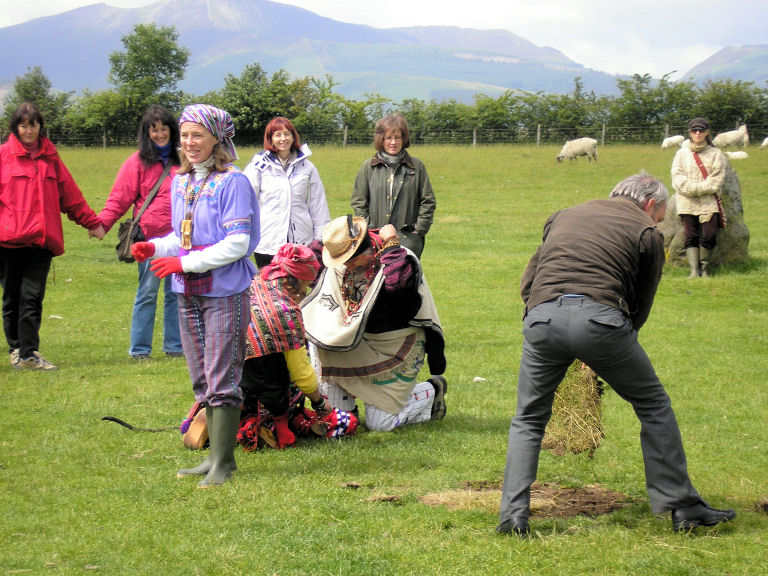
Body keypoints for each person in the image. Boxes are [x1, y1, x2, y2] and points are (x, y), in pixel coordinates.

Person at [497, 172, 736, 537]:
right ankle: (683, 506)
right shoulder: (646, 232)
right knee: (654, 406)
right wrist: (610, 348)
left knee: (528, 418)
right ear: (652, 205)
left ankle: (513, 517)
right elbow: (642, 301)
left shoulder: (563, 215)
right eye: (660, 213)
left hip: (541, 318)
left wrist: (542, 318)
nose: (658, 220)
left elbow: (531, 279)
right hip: (602, 321)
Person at [130, 104, 260, 488]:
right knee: (201, 375)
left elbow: (237, 243)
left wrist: (183, 265)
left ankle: (224, 462)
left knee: (222, 374)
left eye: (197, 135)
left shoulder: (233, 182)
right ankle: (211, 458)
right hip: (188, 290)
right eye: (185, 135)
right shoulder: (181, 181)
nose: (189, 143)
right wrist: (154, 249)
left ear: (216, 139)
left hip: (224, 291)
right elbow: (181, 237)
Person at [301, 214, 447, 431]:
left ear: (368, 251)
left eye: (351, 260)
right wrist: (331, 241)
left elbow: (397, 285)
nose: (347, 267)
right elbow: (309, 254)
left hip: (397, 347)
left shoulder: (401, 259)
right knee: (339, 414)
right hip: (355, 342)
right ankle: (347, 410)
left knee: (380, 425)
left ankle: (431, 391)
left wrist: (391, 246)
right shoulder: (341, 258)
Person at [0, 102, 104, 371]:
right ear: (15, 127)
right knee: (12, 297)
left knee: (32, 297)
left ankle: (29, 353)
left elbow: (70, 195)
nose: (29, 130)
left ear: (39, 126)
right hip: (8, 241)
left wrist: (92, 223)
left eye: (33, 125)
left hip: (41, 241)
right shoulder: (3, 157)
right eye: (24, 125)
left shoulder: (50, 158)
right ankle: (15, 349)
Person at [93, 105, 183, 359]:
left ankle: (175, 348)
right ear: (147, 133)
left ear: (172, 130)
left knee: (176, 294)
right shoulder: (137, 162)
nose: (159, 134)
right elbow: (119, 198)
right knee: (147, 293)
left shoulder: (184, 158)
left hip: (180, 238)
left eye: (164, 128)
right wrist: (103, 224)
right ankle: (140, 350)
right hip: (150, 238)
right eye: (153, 130)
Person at [240, 243, 340, 449]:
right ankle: (277, 425)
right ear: (302, 279)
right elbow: (301, 372)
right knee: (281, 367)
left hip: (233, 383)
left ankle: (237, 420)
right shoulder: (286, 310)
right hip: (268, 393)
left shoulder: (252, 283)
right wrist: (320, 403)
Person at [243, 116, 330, 268]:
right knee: (270, 288)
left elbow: (318, 203)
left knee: (297, 288)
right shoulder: (258, 167)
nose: (283, 139)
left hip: (301, 241)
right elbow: (245, 202)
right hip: (268, 241)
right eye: (277, 135)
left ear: (293, 136)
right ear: (270, 139)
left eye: (286, 134)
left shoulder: (308, 167)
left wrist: (320, 238)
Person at [350, 113, 436, 259]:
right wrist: (369, 230)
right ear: (381, 140)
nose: (393, 142)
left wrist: (419, 229)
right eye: (388, 138)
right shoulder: (368, 167)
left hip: (407, 240)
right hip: (375, 240)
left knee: (405, 279)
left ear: (404, 139)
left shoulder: (417, 166)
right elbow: (359, 201)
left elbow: (428, 201)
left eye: (398, 137)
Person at [671, 117, 727, 278]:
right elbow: (678, 178)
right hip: (686, 201)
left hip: (708, 202)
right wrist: (697, 188)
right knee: (691, 235)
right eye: (694, 130)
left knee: (709, 234)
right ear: (689, 132)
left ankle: (705, 268)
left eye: (701, 130)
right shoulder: (681, 154)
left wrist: (697, 188)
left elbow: (716, 180)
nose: (697, 133)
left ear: (707, 132)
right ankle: (694, 271)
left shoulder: (716, 154)